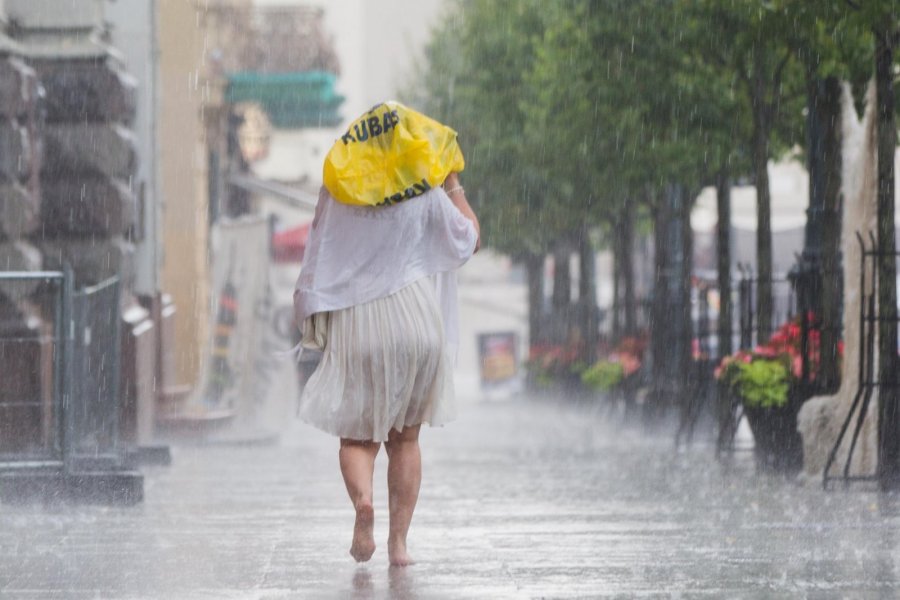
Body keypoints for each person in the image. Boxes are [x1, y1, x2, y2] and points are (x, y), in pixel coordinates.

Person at [293, 102, 480, 567]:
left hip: (361, 323)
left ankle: (363, 504)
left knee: (357, 439)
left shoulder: (341, 189)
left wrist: (309, 309)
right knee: (406, 440)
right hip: (418, 323)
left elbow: (317, 252)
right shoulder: (422, 188)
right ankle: (399, 545)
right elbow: (467, 239)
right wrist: (452, 182)